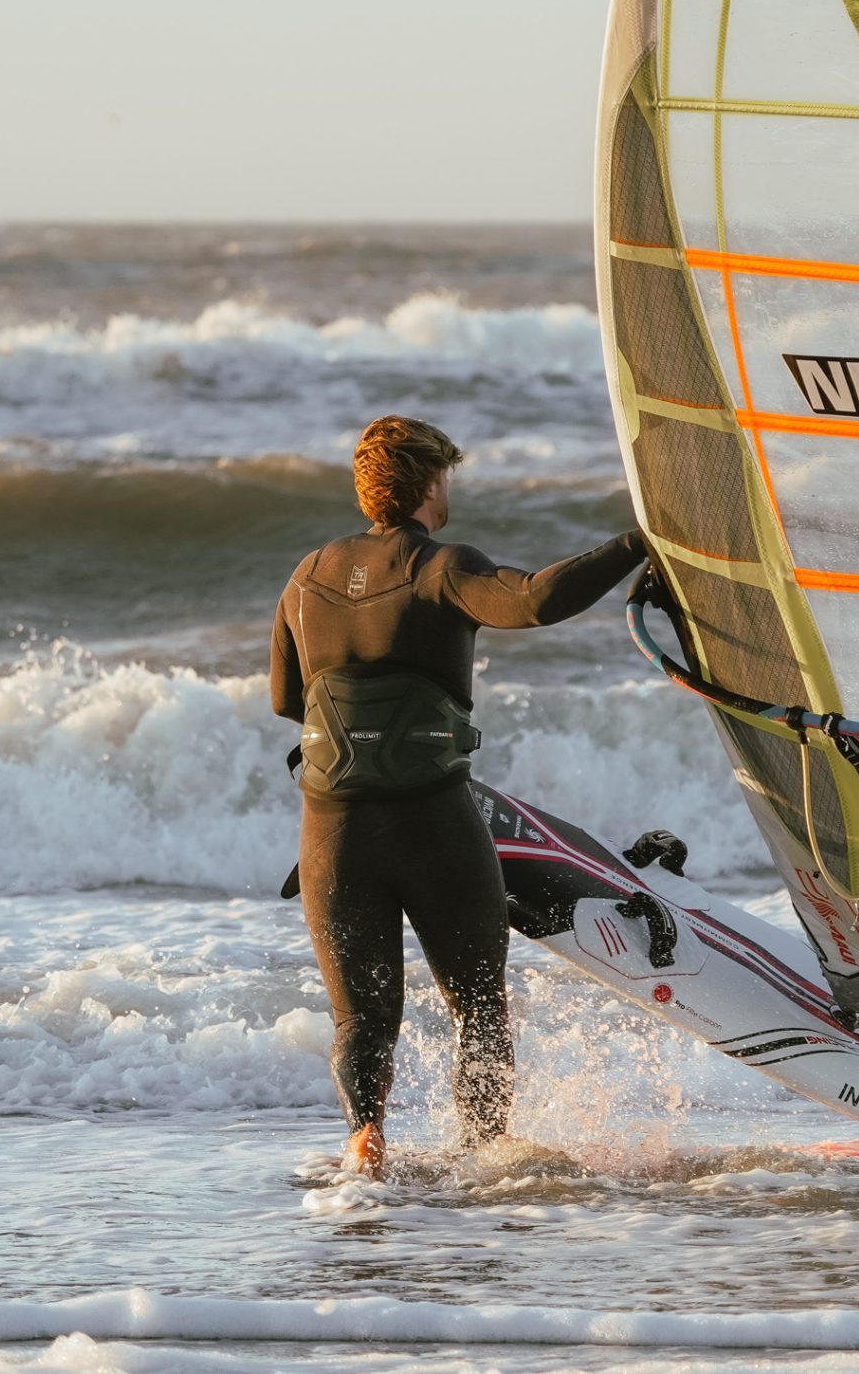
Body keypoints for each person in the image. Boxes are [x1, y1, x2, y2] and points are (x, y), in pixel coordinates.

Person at [270, 415, 646, 1179]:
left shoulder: (306, 576)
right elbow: (537, 599)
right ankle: (484, 1161)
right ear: (432, 484)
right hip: (434, 822)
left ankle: (364, 1143)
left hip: (332, 833)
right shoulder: (439, 566)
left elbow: (286, 698)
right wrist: (640, 541)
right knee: (476, 1005)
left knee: (361, 1021)